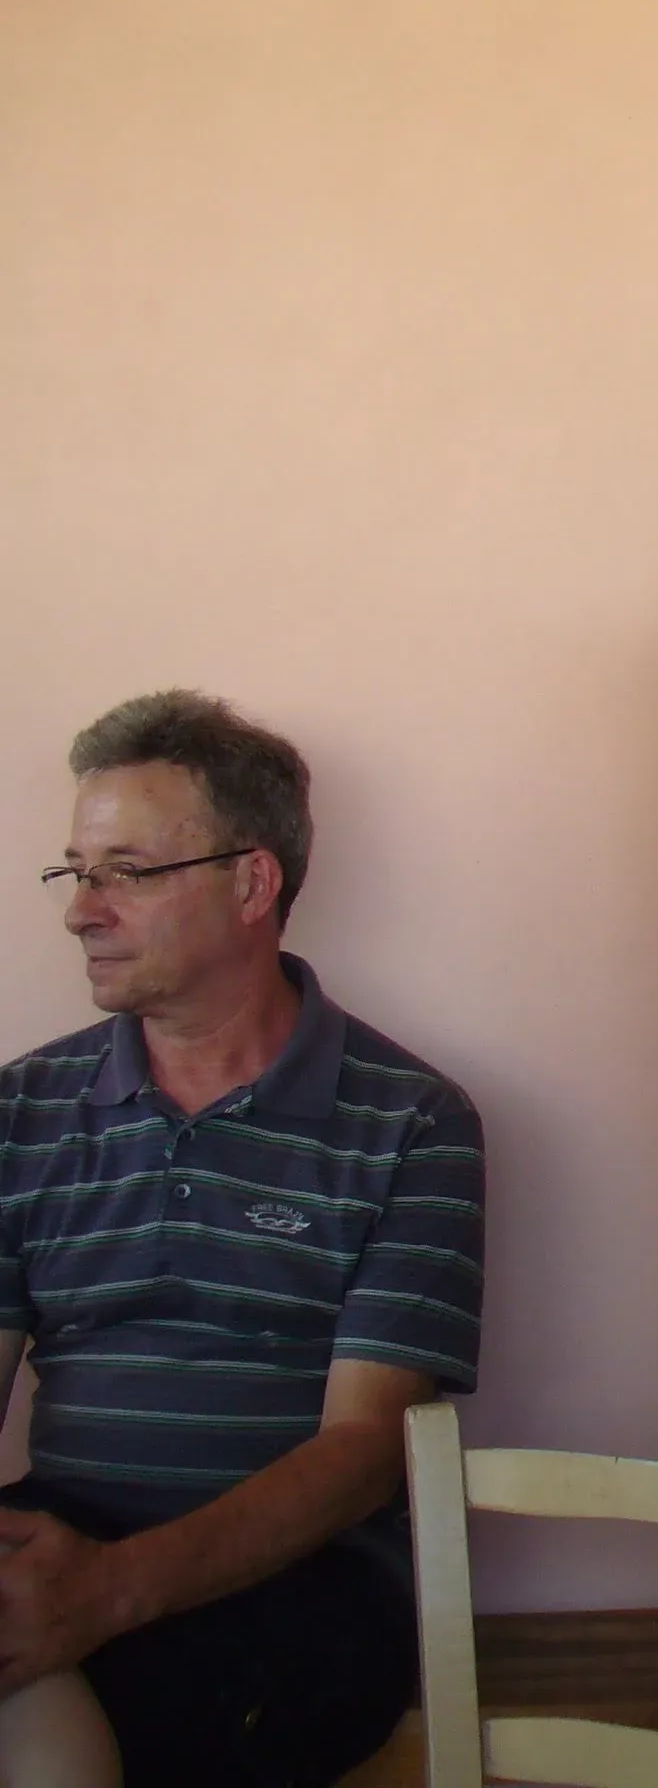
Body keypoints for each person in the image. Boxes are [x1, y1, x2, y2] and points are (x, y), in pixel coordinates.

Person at [0, 691, 486, 1788]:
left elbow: (363, 1457)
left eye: (124, 871)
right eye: (75, 871)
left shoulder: (412, 1120)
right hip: (55, 1536)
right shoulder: (23, 1110)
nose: (81, 910)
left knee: (148, 1715)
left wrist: (107, 1593)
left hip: (294, 1581)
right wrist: (52, 1592)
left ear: (251, 883)